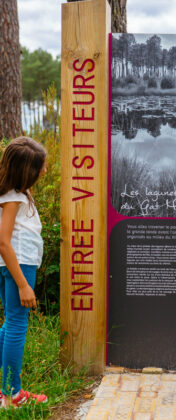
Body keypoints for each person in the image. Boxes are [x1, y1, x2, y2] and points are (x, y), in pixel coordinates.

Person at [0, 137, 48, 408]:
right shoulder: (13, 198)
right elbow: (4, 242)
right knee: (17, 325)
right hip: (18, 265)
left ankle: (7, 393)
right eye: (40, 167)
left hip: (13, 264)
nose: (44, 172)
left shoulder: (16, 193)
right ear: (26, 171)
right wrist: (22, 284)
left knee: (10, 323)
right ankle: (12, 395)